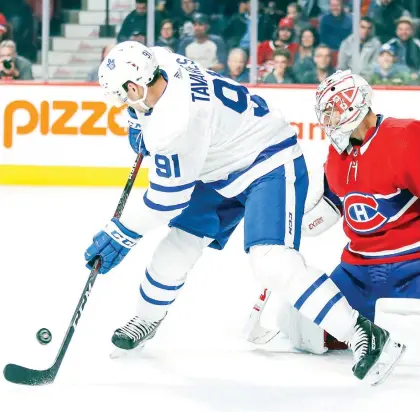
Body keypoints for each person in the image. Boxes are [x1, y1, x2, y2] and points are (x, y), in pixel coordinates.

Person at [85, 41, 403, 384]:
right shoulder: (159, 60)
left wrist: (121, 232)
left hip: (268, 161)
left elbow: (167, 200)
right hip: (218, 162)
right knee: (179, 243)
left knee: (271, 262)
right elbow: (152, 106)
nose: (121, 105)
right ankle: (146, 318)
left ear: (135, 86)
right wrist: (139, 118)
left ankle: (362, 333)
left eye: (122, 96)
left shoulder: (174, 125)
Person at [253, 69, 413, 364]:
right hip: (359, 271)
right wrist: (296, 223)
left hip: (411, 267)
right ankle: (371, 330)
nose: (327, 120)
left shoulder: (406, 139)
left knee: (410, 329)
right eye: (324, 112)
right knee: (297, 321)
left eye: (332, 109)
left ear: (353, 103)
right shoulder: (337, 155)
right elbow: (330, 213)